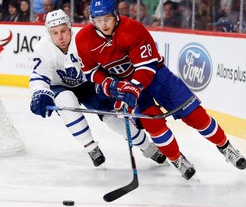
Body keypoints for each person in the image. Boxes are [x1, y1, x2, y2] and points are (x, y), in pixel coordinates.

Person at [75, 0, 246, 180]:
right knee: (153, 123)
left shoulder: (133, 29)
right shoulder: (83, 39)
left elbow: (146, 67)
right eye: (98, 20)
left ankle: (226, 147)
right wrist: (110, 84)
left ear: (115, 14)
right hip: (127, 85)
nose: (104, 24)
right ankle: (177, 159)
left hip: (157, 78)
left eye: (107, 18)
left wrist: (134, 87)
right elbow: (91, 71)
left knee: (195, 115)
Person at [29, 9, 167, 168]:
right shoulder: (43, 49)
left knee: (113, 118)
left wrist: (110, 85)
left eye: (63, 31)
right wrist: (40, 93)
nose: (60, 37)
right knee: (66, 101)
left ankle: (148, 147)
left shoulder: (82, 41)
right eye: (54, 33)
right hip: (59, 86)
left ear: (70, 28)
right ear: (48, 33)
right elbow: (39, 77)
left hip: (88, 85)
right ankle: (91, 147)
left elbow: (104, 65)